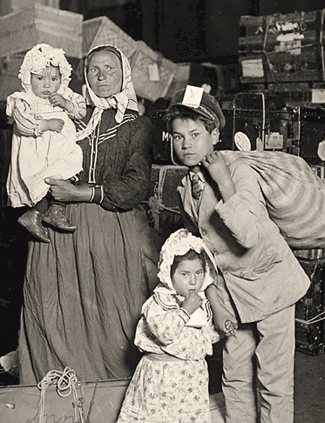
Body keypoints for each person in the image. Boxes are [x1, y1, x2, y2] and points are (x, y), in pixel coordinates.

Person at [164, 85, 311, 423]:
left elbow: (247, 234)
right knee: (234, 375)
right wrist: (215, 303)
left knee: (273, 379)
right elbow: (203, 253)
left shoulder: (238, 170)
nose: (185, 144)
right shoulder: (186, 187)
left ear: (215, 134)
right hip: (231, 294)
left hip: (271, 284)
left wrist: (224, 182)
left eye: (195, 134)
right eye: (177, 136)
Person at [18, 44, 159, 385]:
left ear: (124, 74)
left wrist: (80, 192)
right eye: (93, 70)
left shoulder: (137, 125)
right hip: (57, 226)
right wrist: (22, 121)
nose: (101, 76)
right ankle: (54, 391)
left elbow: (136, 185)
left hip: (108, 226)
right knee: (52, 305)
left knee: (112, 315)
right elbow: (34, 123)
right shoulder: (71, 114)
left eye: (109, 68)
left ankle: (113, 395)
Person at [116, 228, 230, 423]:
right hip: (161, 378)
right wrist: (185, 312)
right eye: (184, 274)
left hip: (191, 380)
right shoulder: (159, 301)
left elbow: (203, 338)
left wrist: (221, 328)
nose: (193, 281)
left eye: (199, 273)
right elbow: (164, 333)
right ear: (169, 273)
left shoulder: (201, 301)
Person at [6, 43, 86, 243]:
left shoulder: (64, 95)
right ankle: (35, 213)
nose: (47, 85)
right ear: (28, 78)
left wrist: (66, 104)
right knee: (46, 181)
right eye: (40, 79)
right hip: (37, 153)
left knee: (69, 172)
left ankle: (54, 211)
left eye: (54, 79)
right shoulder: (24, 100)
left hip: (61, 150)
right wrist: (46, 123)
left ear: (62, 79)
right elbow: (23, 125)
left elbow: (81, 111)